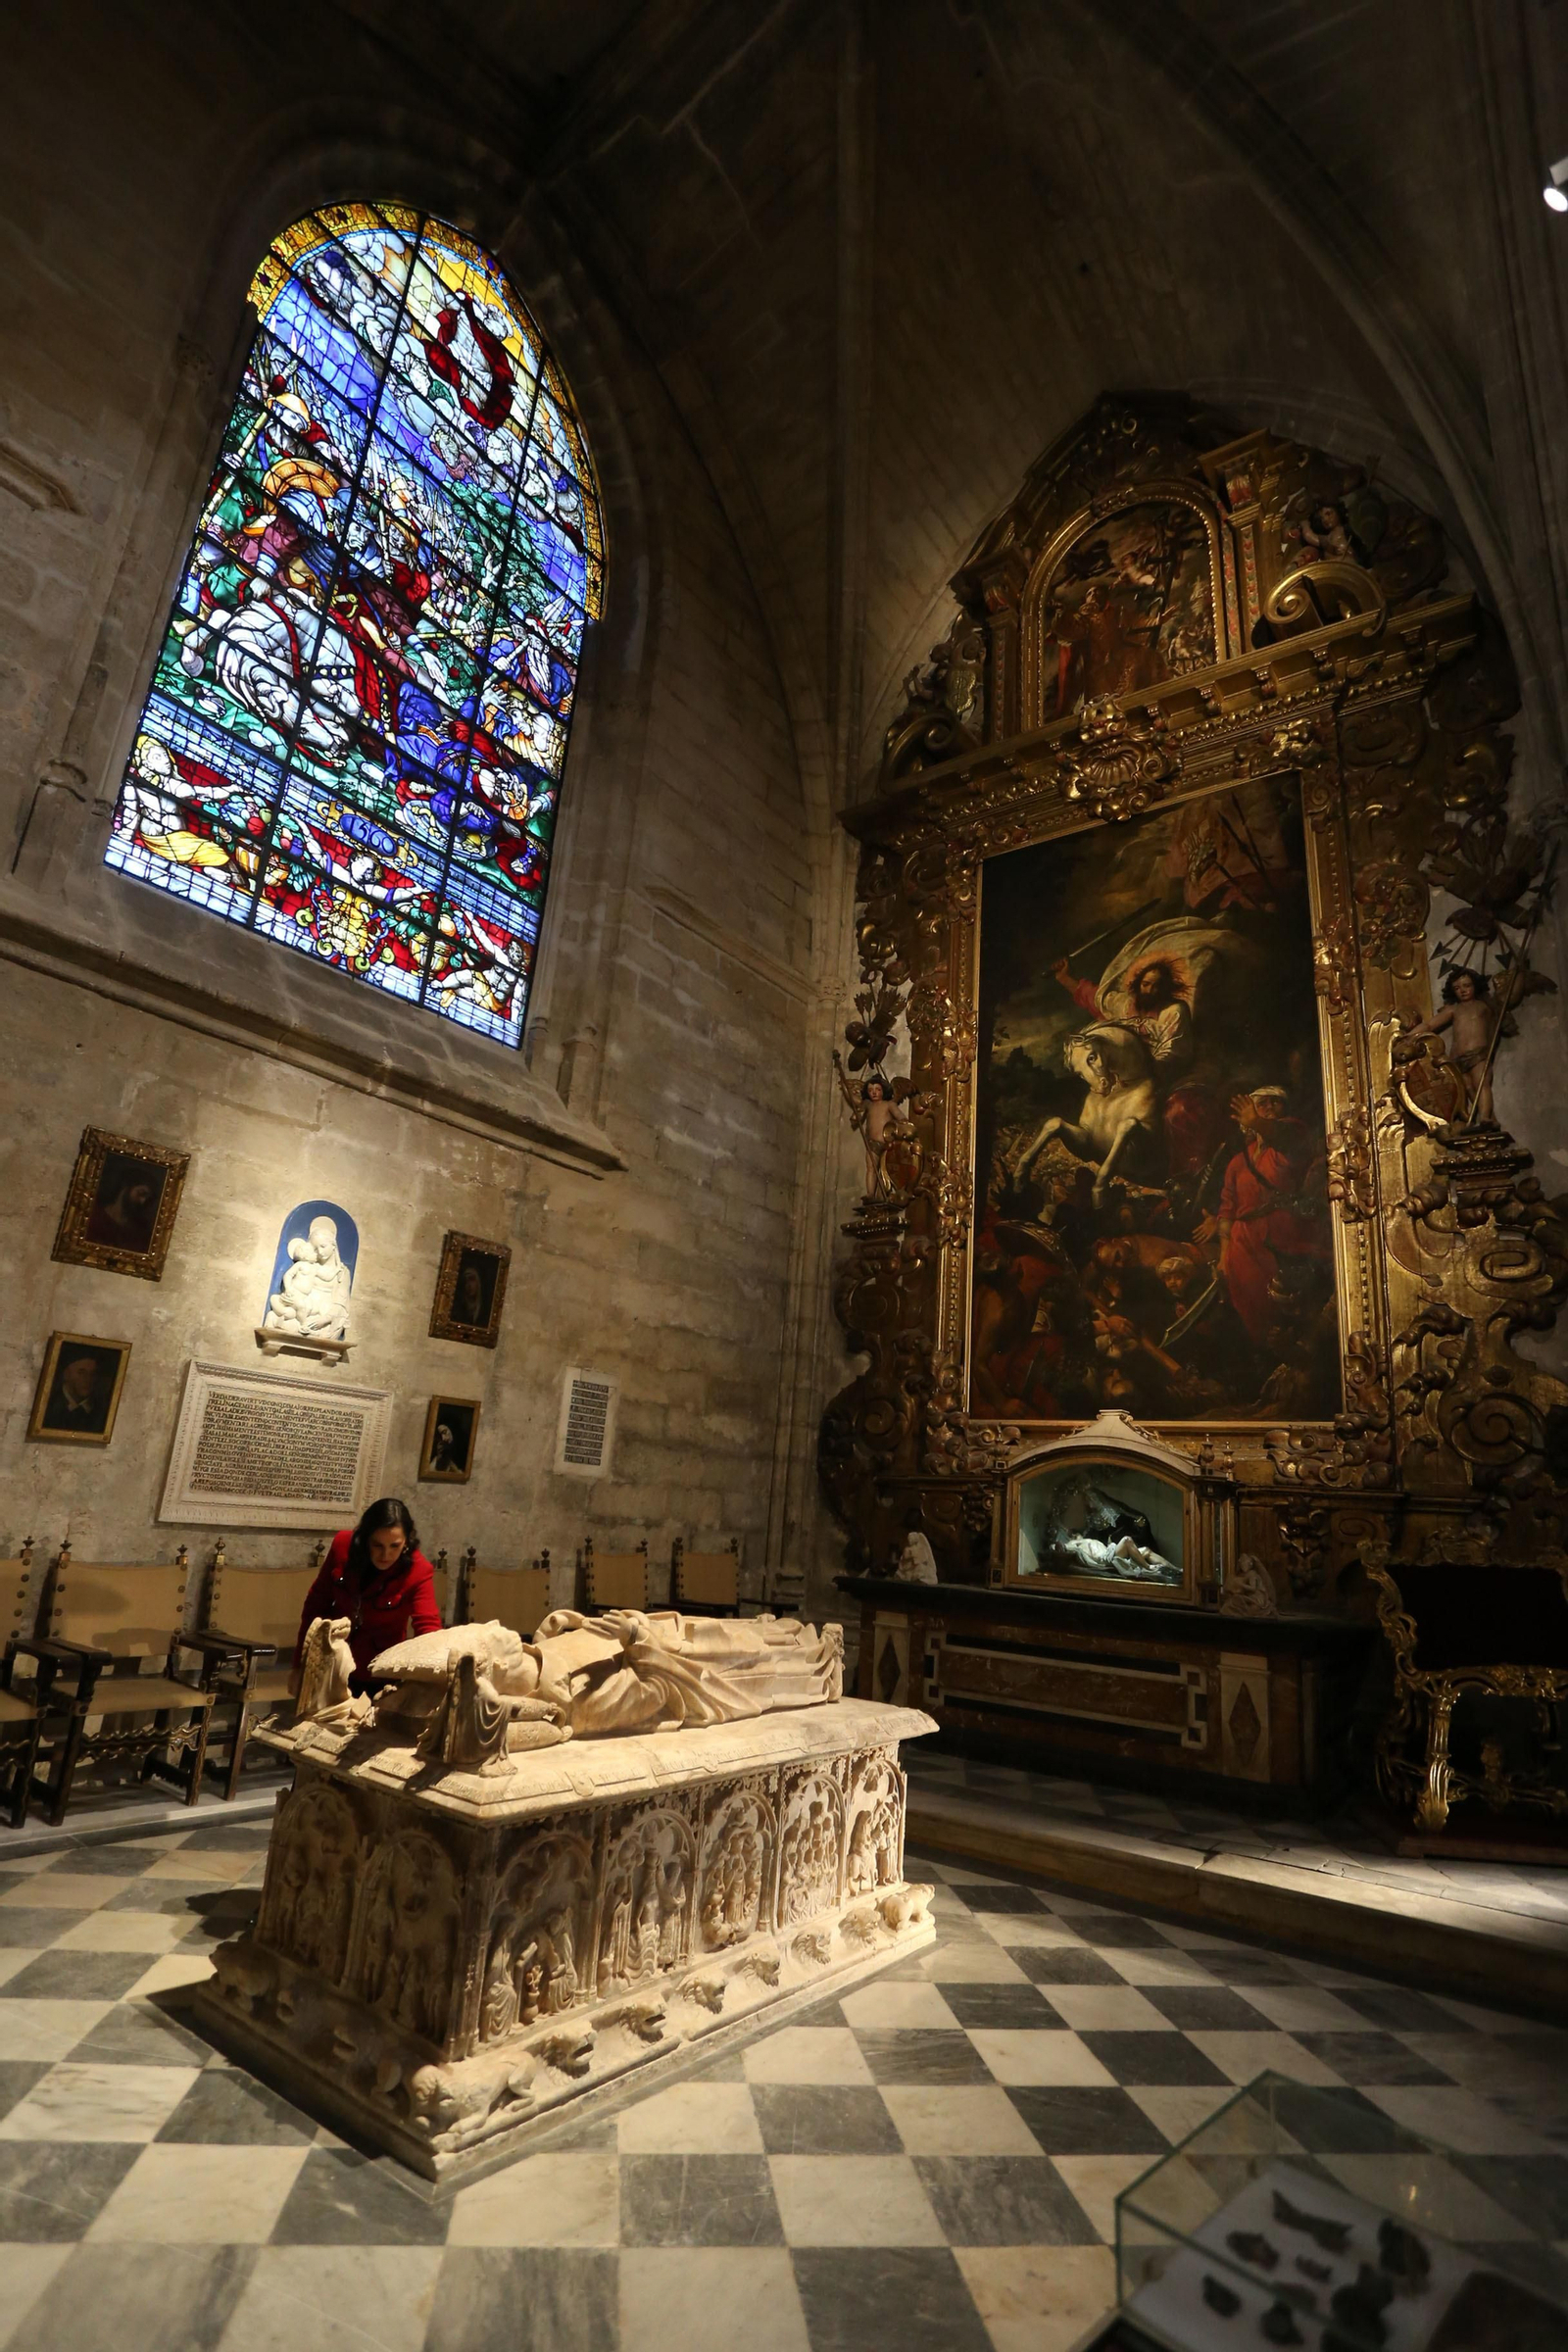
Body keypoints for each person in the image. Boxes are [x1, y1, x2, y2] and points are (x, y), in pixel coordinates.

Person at [290, 1496, 442, 1695]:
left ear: (406, 1541)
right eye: (377, 1545)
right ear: (365, 1539)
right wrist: (300, 1664)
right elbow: (315, 1606)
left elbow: (428, 1630)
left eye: (394, 1546)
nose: (385, 1555)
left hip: (379, 1675)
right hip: (330, 1665)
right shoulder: (342, 1547)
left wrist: (432, 1683)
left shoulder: (418, 1570)